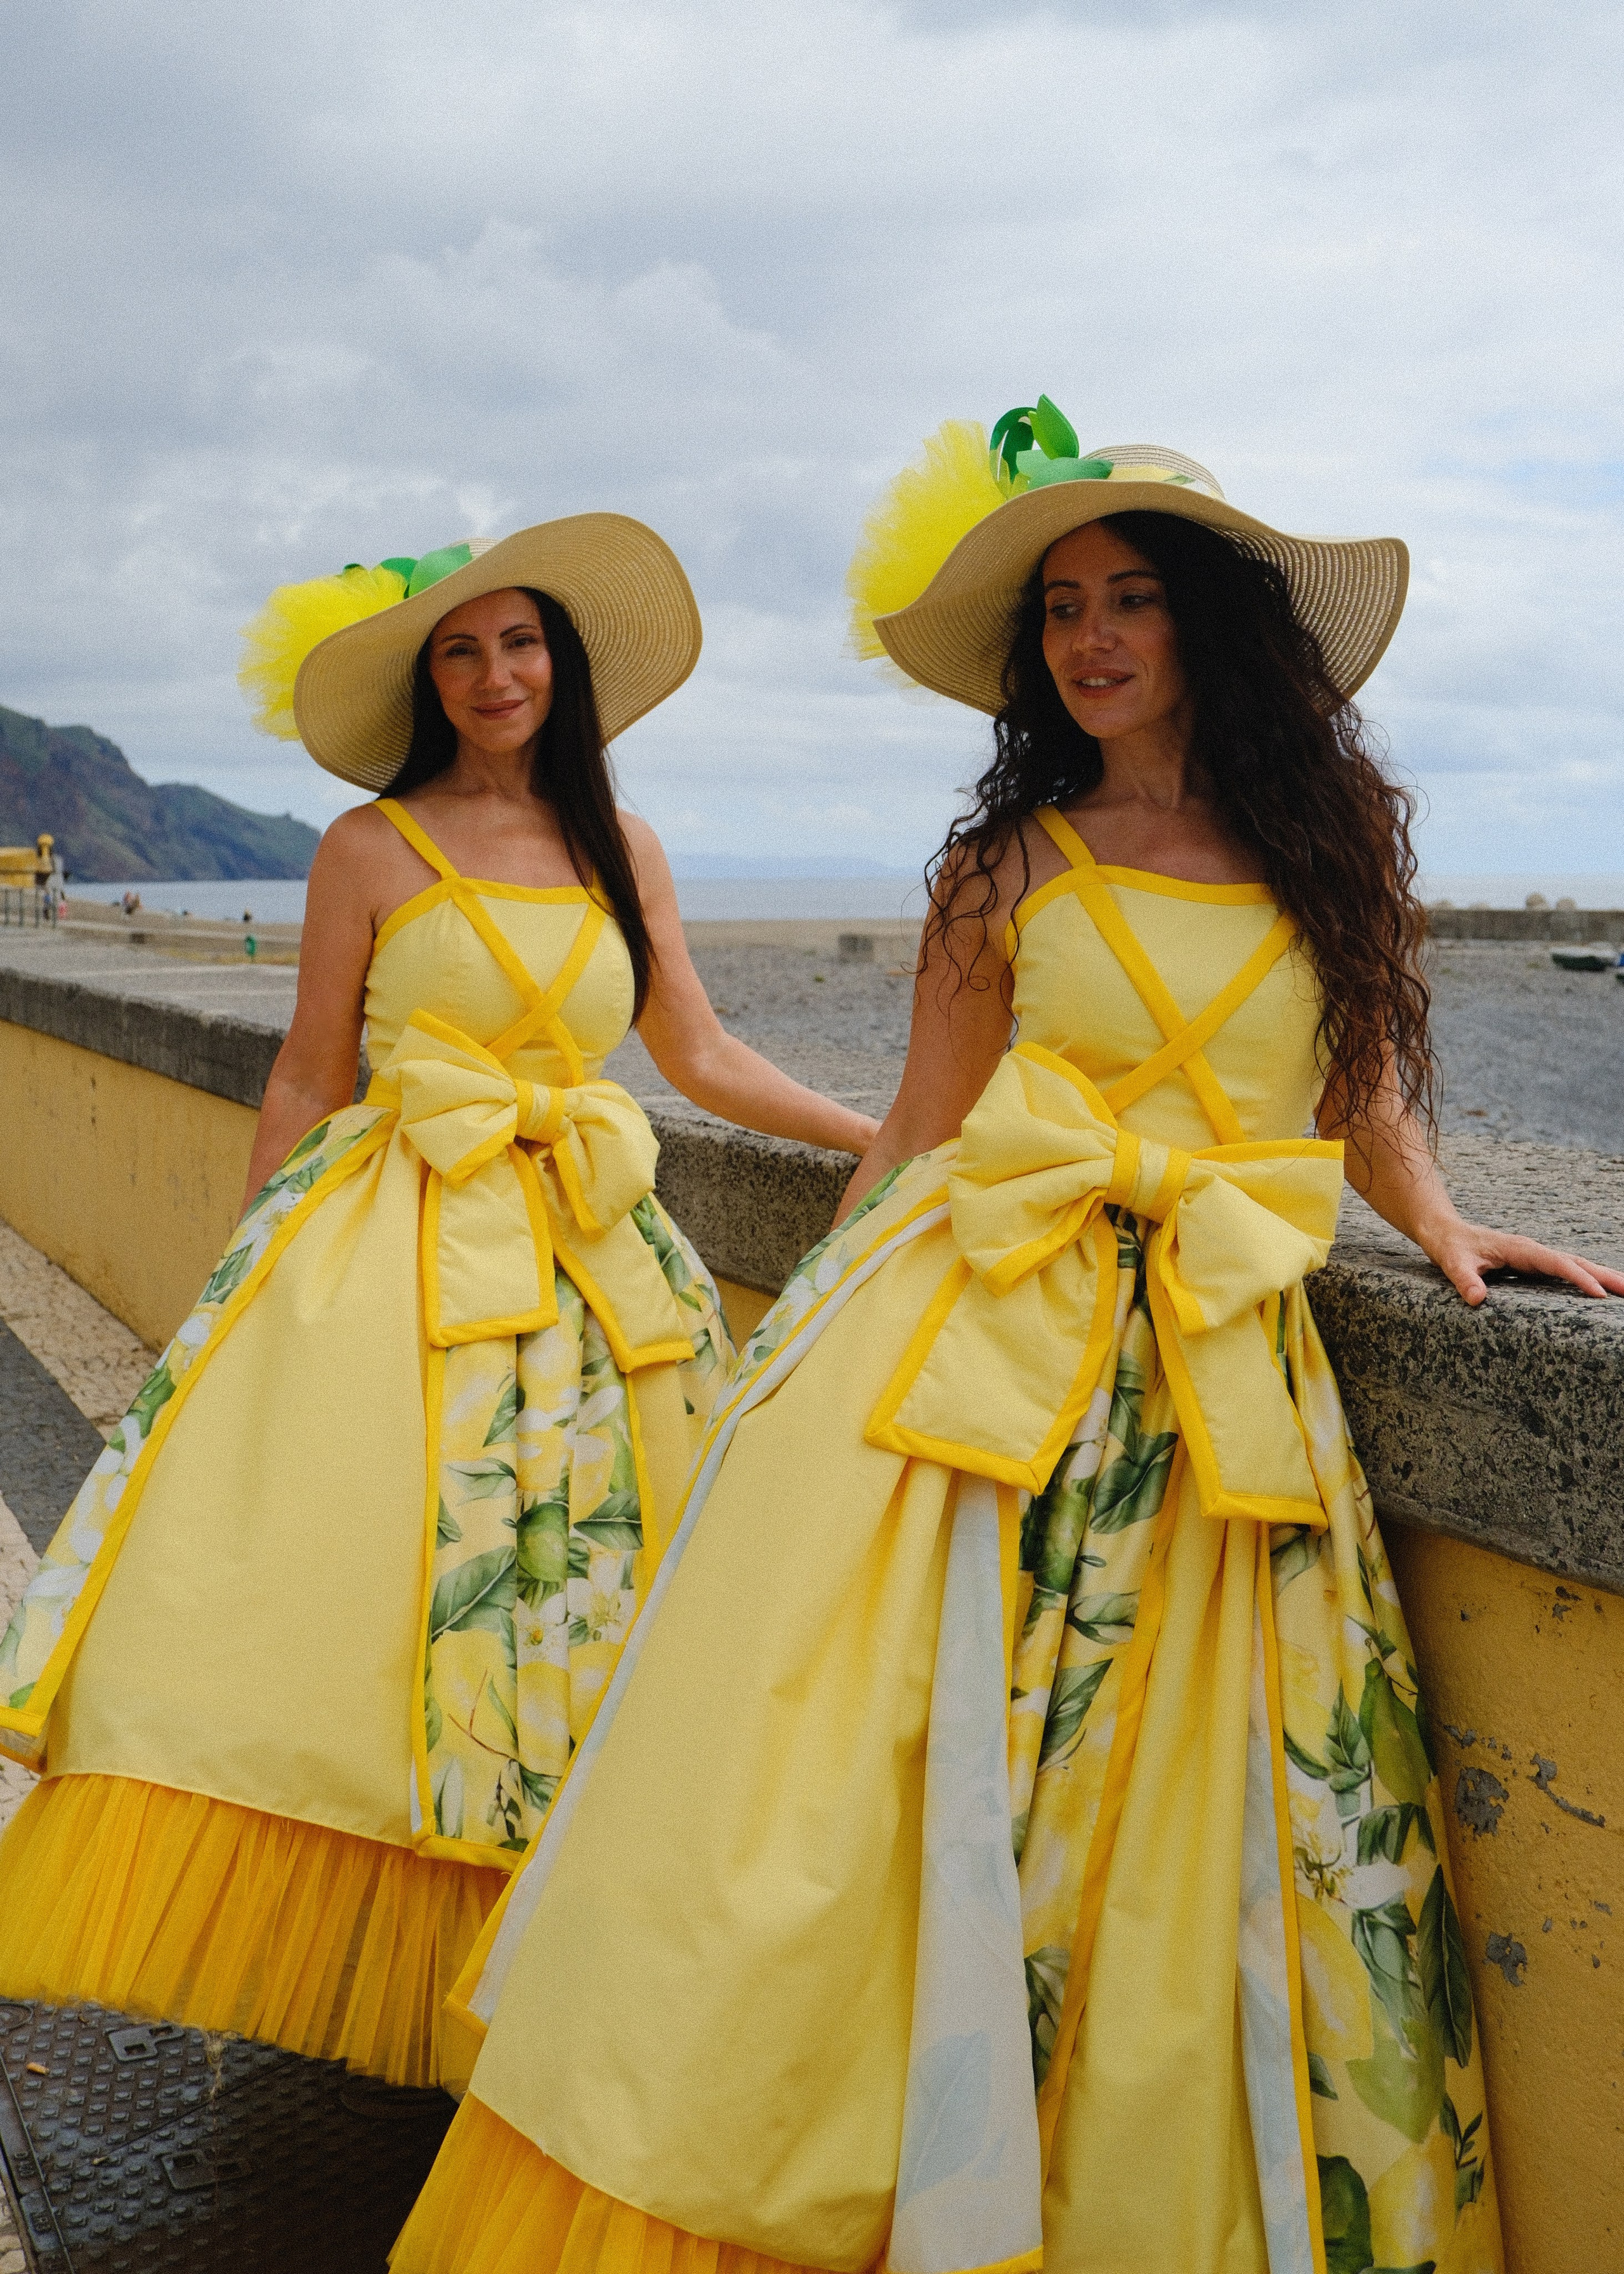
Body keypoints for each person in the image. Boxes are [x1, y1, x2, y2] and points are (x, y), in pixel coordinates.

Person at [394, 411, 1624, 2273]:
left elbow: (1355, 1076)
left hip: (1225, 1379)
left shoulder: (1329, 843)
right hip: (994, 1356)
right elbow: (922, 1136)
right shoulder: (1004, 868)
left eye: (1133, 596)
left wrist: (1440, 1224)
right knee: (897, 1789)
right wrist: (801, 1347)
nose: (1092, 636)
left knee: (1211, 1840)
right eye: (1062, 607)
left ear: (1215, 623)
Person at [0, 516, 877, 2091]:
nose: (494, 675)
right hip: (391, 1248)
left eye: (521, 642)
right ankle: (386, 1946)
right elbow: (308, 1074)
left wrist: (879, 1132)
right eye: (461, 651)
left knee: (589, 1599)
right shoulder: (366, 846)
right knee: (380, 1595)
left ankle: (548, 1954)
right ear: (428, 678)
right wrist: (243, 1273)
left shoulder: (626, 844)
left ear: (565, 663)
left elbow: (696, 1055)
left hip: (590, 1266)